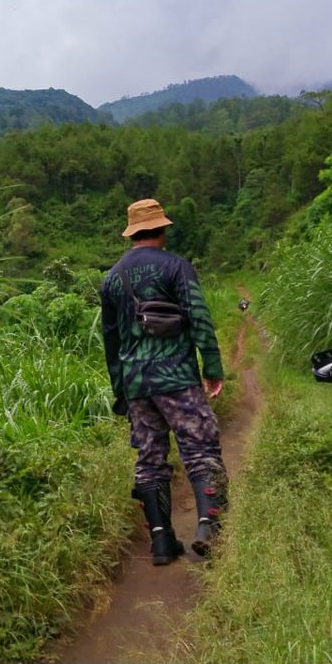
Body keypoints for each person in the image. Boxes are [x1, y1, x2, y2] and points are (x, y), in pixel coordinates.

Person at [100, 198, 228, 565]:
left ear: (132, 233)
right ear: (162, 229)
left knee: (150, 459)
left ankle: (161, 541)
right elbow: (199, 317)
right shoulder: (176, 267)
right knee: (200, 448)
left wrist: (121, 389)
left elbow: (111, 341)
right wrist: (212, 367)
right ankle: (209, 528)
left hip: (136, 384)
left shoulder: (112, 278)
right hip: (177, 378)